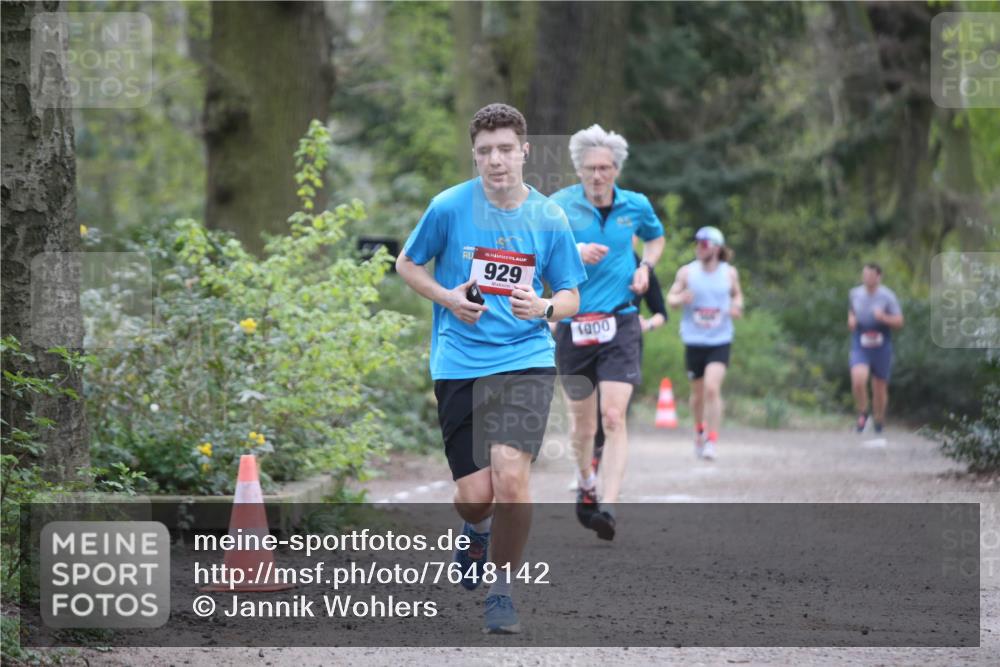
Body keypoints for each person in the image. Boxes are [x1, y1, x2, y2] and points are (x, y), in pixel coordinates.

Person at [396, 103, 586, 635]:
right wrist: (447, 298)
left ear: (524, 151)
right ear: (474, 156)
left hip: (526, 358)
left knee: (512, 478)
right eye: (485, 152)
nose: (496, 161)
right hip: (459, 361)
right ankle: (474, 532)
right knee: (475, 498)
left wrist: (545, 308)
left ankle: (502, 591)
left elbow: (571, 293)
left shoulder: (549, 216)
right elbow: (407, 263)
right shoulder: (449, 207)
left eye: (505, 150)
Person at [550, 125, 665, 540]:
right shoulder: (558, 206)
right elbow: (536, 255)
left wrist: (645, 268)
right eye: (590, 168)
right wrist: (574, 252)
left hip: (620, 320)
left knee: (613, 417)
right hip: (574, 323)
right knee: (582, 426)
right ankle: (585, 483)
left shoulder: (636, 205)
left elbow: (655, 240)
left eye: (605, 168)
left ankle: (609, 506)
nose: (597, 176)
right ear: (579, 170)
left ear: (616, 169)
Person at [666, 226, 743, 460]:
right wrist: (680, 299)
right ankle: (699, 430)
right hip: (694, 340)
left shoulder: (729, 273)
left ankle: (712, 440)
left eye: (704, 244)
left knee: (712, 388)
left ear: (717, 248)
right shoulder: (687, 272)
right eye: (697, 243)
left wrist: (737, 306)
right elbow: (670, 298)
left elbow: (737, 294)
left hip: (720, 340)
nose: (699, 247)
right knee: (698, 394)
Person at [848, 263, 904, 434]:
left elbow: (900, 322)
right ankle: (863, 414)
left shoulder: (887, 296)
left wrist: (883, 317)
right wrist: (851, 319)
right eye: (865, 275)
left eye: (871, 275)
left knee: (879, 386)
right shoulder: (854, 293)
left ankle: (879, 420)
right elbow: (851, 311)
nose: (867, 279)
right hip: (861, 341)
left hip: (881, 343)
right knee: (858, 378)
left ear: (878, 277)